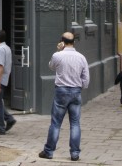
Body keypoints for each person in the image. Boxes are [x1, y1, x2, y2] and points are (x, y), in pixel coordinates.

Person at [39, 31, 90, 162]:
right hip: (76, 92)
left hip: (61, 92)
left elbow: (51, 67)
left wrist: (59, 50)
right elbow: (86, 79)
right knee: (75, 123)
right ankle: (74, 153)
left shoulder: (57, 55)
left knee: (56, 123)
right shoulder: (81, 57)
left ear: (62, 41)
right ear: (74, 42)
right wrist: (80, 87)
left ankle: (49, 151)